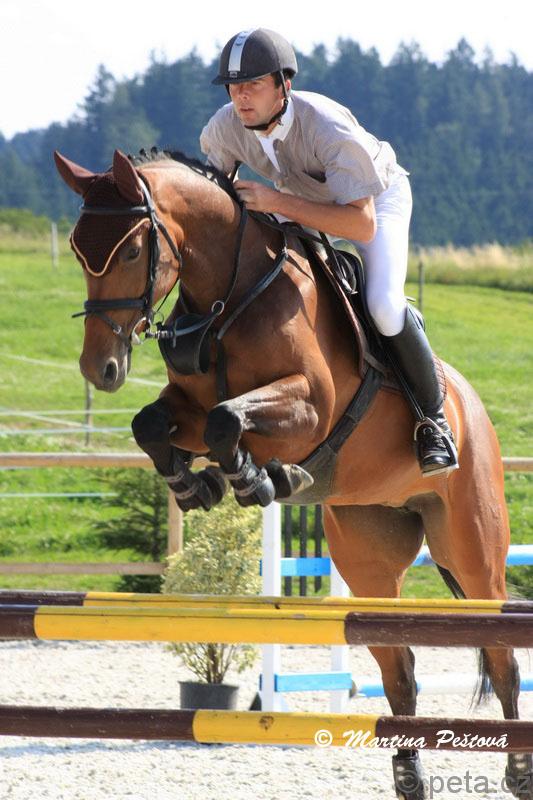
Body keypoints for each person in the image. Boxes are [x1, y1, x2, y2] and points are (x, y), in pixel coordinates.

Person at [200, 28, 458, 477]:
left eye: (253, 84)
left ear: (284, 85)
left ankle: (433, 422)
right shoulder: (225, 127)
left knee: (383, 305)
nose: (241, 97)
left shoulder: (326, 125)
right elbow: (212, 200)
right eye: (233, 86)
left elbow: (361, 224)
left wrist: (276, 202)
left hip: (375, 202)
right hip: (298, 201)